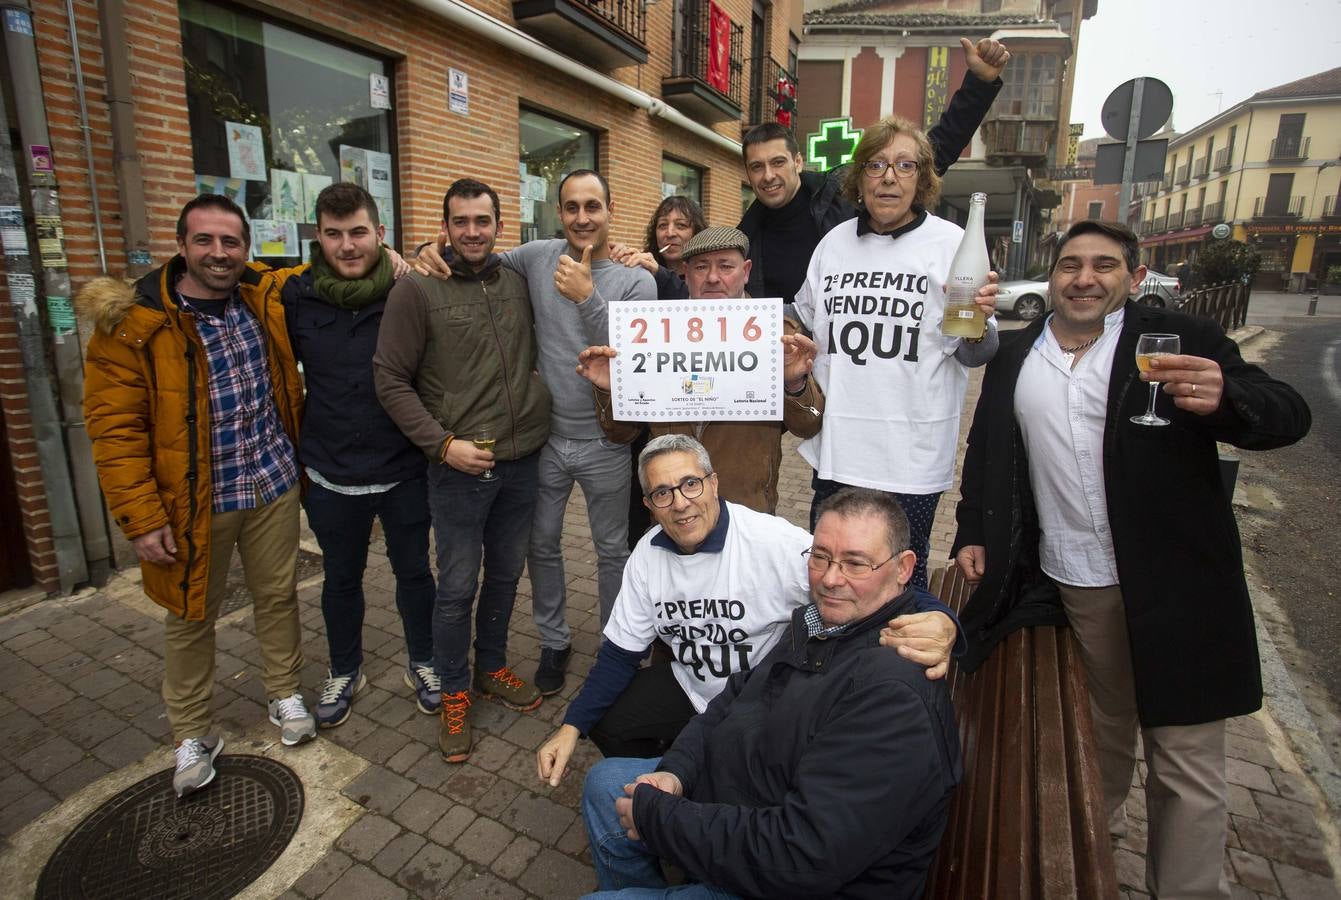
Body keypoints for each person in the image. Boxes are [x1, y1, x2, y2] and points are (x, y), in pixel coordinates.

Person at [951, 220, 1311, 898]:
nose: (1084, 278)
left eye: (1103, 265)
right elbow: (988, 450)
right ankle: (1092, 849)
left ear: (1133, 278)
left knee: (1184, 760)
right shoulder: (1018, 353)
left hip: (1176, 582)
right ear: (1050, 276)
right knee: (1103, 735)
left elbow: (1286, 412)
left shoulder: (1177, 343)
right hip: (1074, 579)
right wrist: (972, 527)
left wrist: (1228, 399)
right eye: (1070, 265)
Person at [578, 487, 962, 899]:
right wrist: (677, 771)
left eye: (855, 563)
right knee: (604, 783)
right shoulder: (820, 622)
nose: (831, 579)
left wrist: (663, 818)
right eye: (820, 557)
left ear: (903, 569)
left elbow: (801, 855)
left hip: (785, 875)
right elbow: (733, 697)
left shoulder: (892, 697)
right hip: (749, 796)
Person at [535, 435, 960, 787]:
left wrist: (943, 619)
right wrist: (571, 727)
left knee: (740, 774)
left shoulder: (771, 543)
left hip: (761, 695)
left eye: (690, 484)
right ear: (648, 504)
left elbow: (858, 581)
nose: (680, 503)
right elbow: (619, 654)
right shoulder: (647, 556)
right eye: (662, 492)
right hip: (692, 686)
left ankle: (698, 798)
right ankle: (667, 779)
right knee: (610, 720)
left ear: (714, 483)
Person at [81, 193, 315, 797]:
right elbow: (114, 428)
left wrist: (406, 254)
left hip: (270, 481)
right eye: (205, 241)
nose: (219, 253)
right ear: (182, 246)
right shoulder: (134, 323)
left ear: (246, 248)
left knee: (277, 597)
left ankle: (285, 693)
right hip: (191, 502)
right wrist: (139, 518)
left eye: (230, 242)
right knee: (189, 615)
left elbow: (336, 263)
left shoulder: (260, 296)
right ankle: (192, 731)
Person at [412, 170, 658, 696]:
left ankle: (617, 642)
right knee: (541, 545)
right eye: (571, 207)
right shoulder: (537, 256)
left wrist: (587, 297)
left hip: (606, 441)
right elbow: (473, 253)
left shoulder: (638, 280)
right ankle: (554, 641)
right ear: (558, 212)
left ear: (611, 208)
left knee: (612, 549)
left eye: (593, 205)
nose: (582, 217)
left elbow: (635, 361)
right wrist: (427, 248)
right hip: (546, 438)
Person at [374, 178, 553, 763]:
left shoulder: (518, 278)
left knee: (504, 576)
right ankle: (453, 689)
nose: (472, 232)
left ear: (500, 226)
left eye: (482, 221)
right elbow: (390, 379)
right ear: (445, 226)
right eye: (460, 222)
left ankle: (492, 667)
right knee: (456, 587)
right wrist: (440, 443)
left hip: (522, 459)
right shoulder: (419, 289)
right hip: (458, 469)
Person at [793, 115, 999, 590]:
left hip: (912, 457)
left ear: (922, 179)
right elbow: (801, 317)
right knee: (831, 574)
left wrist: (979, 324)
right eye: (877, 164)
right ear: (859, 176)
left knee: (902, 580)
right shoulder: (833, 243)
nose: (889, 177)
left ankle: (896, 666)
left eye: (905, 166)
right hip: (840, 450)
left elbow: (975, 352)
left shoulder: (953, 243)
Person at [279, 182, 438, 729]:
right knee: (340, 579)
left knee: (415, 573)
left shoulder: (409, 290)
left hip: (402, 469)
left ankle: (424, 661)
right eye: (333, 234)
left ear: (380, 234)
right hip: (330, 472)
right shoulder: (294, 295)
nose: (347, 246)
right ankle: (345, 669)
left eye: (358, 233)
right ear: (318, 237)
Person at [738, 37, 1010, 308]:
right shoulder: (745, 236)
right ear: (748, 173)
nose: (768, 175)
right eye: (756, 167)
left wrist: (980, 84)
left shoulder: (839, 191)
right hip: (796, 346)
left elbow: (934, 150)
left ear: (797, 162)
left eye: (777, 162)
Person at [577, 226, 823, 514]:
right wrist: (611, 390)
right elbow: (621, 434)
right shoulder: (650, 331)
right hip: (673, 507)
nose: (713, 277)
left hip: (746, 508)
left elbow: (808, 425)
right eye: (701, 267)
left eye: (726, 266)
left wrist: (794, 384)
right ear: (685, 272)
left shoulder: (778, 333)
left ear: (745, 271)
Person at [609, 195, 705, 300]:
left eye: (681, 225)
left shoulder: (710, 275)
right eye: (663, 225)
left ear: (697, 233)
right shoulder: (645, 273)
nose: (670, 233)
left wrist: (660, 274)